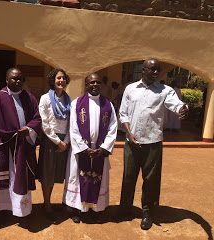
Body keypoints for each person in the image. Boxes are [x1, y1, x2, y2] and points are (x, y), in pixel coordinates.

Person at [118, 58, 189, 230]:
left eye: (158, 70)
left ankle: (147, 212)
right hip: (131, 142)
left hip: (153, 143)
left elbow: (176, 104)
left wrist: (183, 108)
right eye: (152, 69)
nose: (156, 72)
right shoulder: (130, 89)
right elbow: (123, 113)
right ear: (143, 70)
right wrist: (128, 132)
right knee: (128, 177)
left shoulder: (165, 91)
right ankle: (125, 209)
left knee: (150, 180)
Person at [63, 73, 118, 223]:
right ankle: (77, 210)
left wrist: (104, 148)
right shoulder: (77, 103)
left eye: (97, 82)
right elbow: (73, 128)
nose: (95, 85)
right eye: (91, 82)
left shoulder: (108, 104)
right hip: (81, 151)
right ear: (86, 85)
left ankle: (96, 208)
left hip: (99, 151)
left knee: (98, 180)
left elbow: (113, 127)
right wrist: (83, 148)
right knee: (78, 179)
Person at [0, 68, 41, 223]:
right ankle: (3, 210)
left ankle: (22, 210)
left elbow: (37, 117)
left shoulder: (29, 97)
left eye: (20, 78)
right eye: (14, 79)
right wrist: (4, 139)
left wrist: (29, 129)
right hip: (7, 147)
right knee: (5, 177)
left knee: (22, 178)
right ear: (7, 80)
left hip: (23, 147)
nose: (18, 81)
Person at [38, 68, 72, 221]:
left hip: (64, 141)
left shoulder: (68, 100)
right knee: (47, 172)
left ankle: (54, 201)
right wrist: (57, 141)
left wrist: (65, 142)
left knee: (57, 172)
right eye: (58, 78)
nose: (61, 81)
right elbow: (44, 123)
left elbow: (72, 123)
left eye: (63, 78)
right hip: (50, 139)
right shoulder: (45, 98)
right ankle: (46, 203)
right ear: (53, 80)